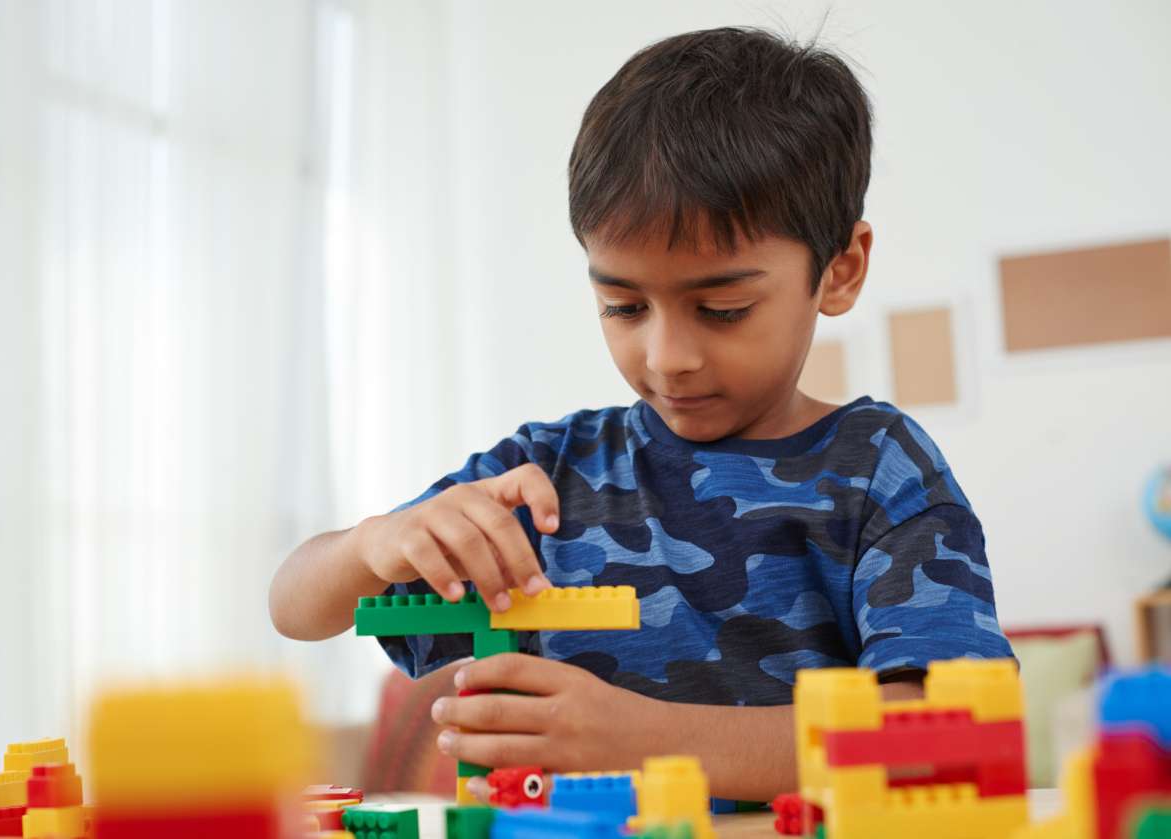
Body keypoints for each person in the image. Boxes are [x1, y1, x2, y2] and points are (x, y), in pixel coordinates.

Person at [270, 26, 1014, 801]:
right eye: (622, 305)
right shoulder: (542, 479)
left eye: (722, 308)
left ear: (840, 268)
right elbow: (295, 604)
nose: (666, 356)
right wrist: (374, 541)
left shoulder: (875, 467)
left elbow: (955, 733)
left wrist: (644, 739)